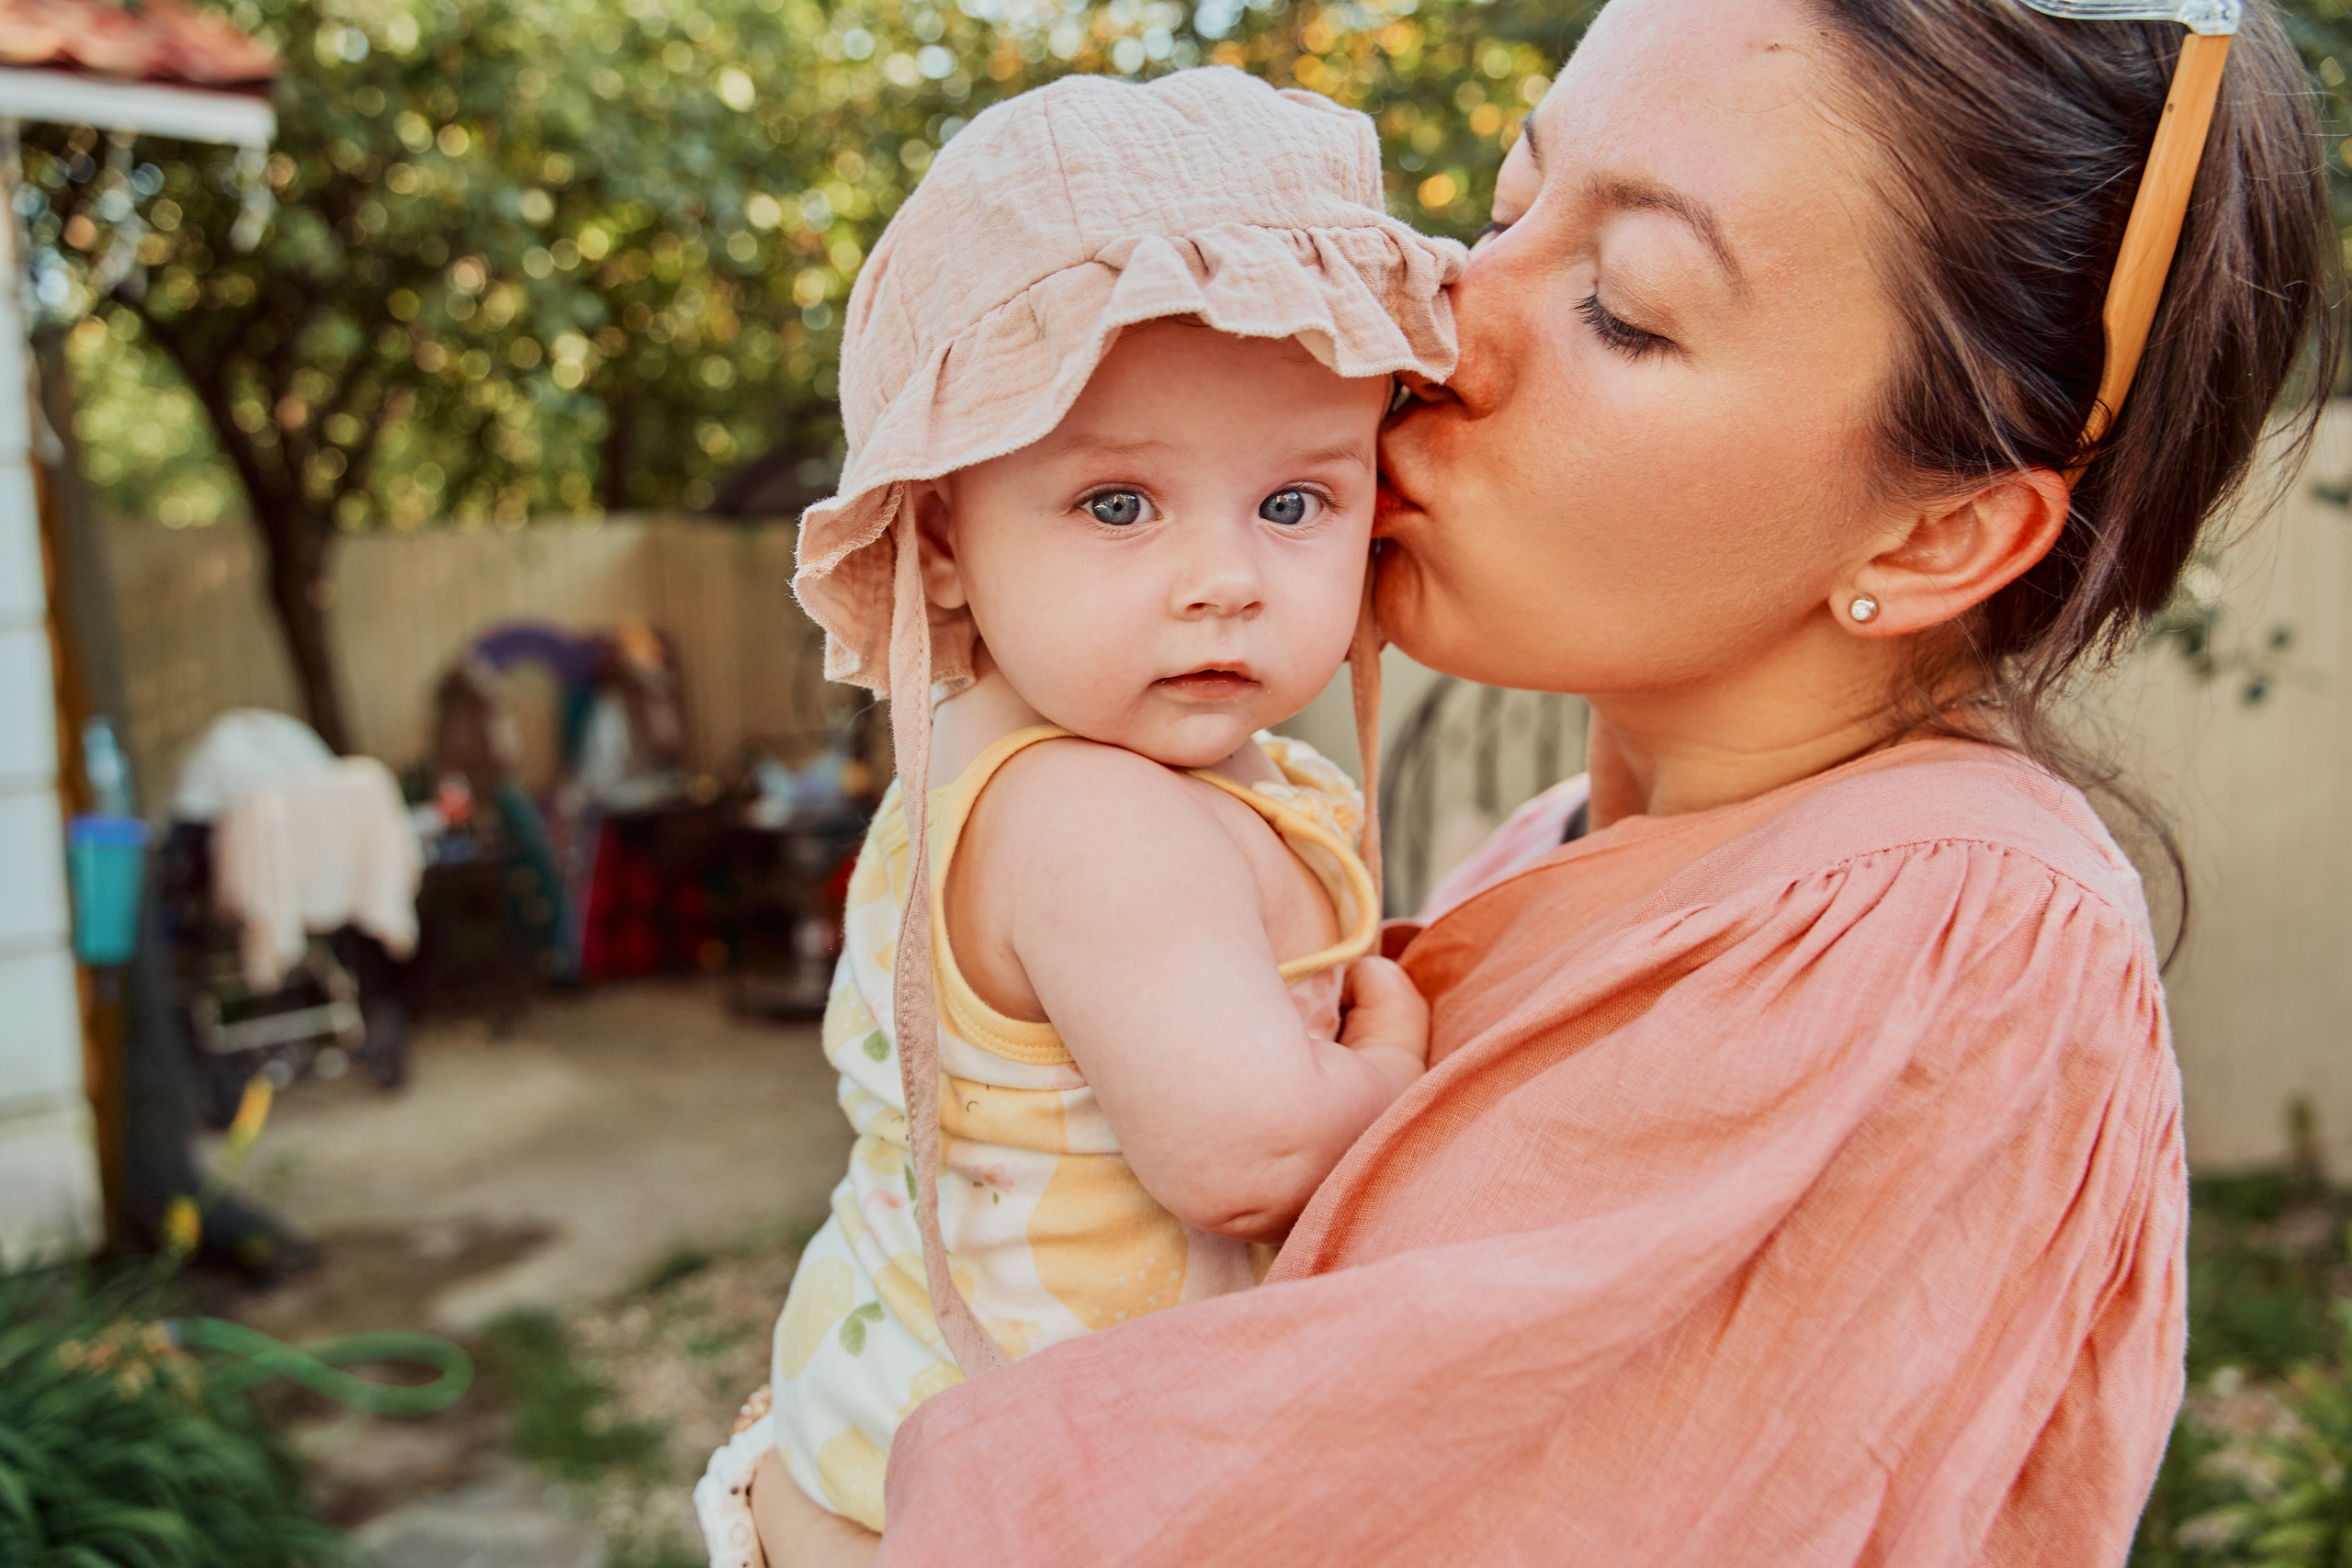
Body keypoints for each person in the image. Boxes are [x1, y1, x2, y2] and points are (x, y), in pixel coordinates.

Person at [750, 0, 2338, 1560]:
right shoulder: (1548, 851)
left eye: (1628, 305)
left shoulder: (1938, 943)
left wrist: (788, 1512)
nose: (1438, 318)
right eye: (1506, 212)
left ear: (1933, 534)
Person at [693, 69, 1465, 1562]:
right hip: (998, 1491)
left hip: (934, 1432)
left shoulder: (1105, 769)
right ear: (941, 541)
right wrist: (1395, 1064)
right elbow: (1244, 1157)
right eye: (1120, 504)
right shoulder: (1091, 817)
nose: (1224, 577)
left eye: (1295, 502)